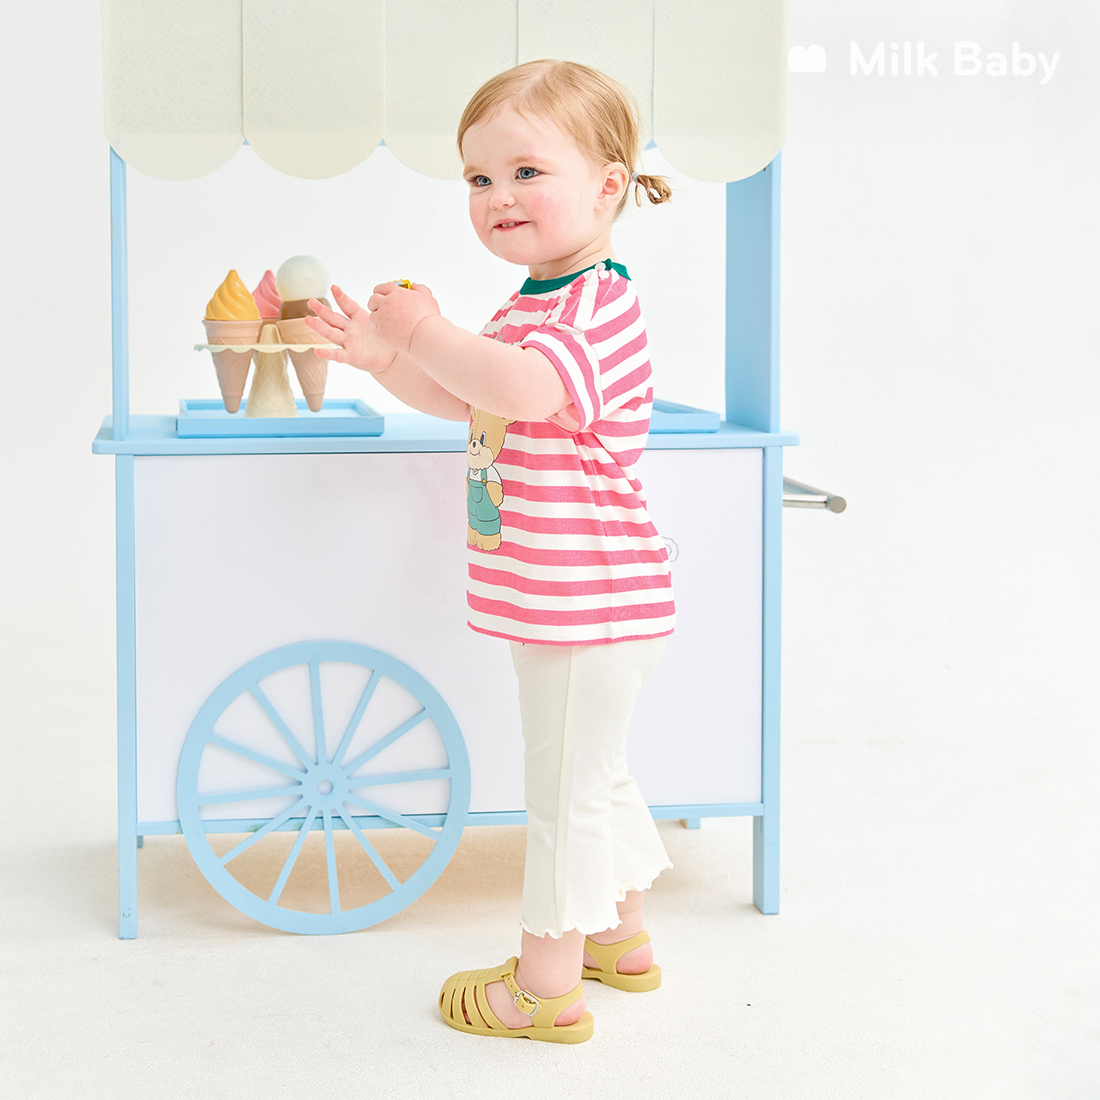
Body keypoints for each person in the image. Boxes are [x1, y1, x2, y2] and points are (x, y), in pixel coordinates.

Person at [306, 59, 676, 1045]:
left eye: (525, 171)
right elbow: (473, 394)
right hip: (560, 598)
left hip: (587, 600)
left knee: (562, 798)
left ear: (607, 185)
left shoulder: (594, 302)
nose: (497, 196)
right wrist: (390, 357)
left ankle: (545, 988)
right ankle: (618, 937)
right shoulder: (528, 305)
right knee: (592, 776)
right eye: (478, 178)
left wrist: (424, 326)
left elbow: (521, 390)